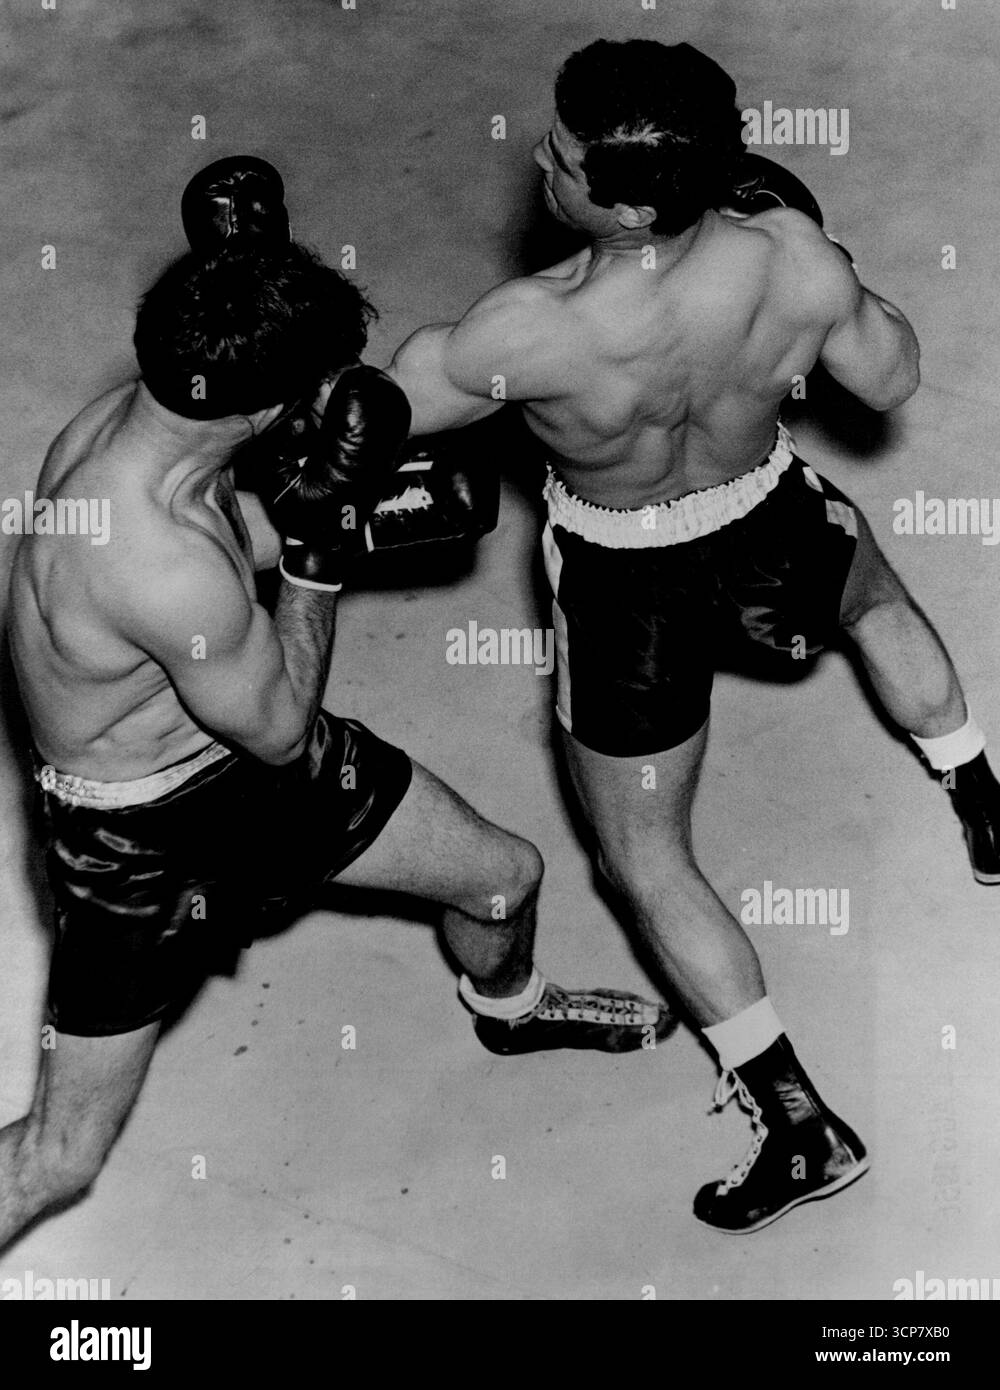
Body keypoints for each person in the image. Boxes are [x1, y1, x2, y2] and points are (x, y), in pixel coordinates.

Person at [383, 38, 1000, 1232]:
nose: (539, 165)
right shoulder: (791, 257)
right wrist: (826, 274)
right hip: (768, 509)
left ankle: (801, 1125)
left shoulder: (521, 328)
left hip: (626, 587)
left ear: (615, 202)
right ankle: (984, 794)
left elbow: (373, 420)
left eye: (558, 156)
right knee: (872, 600)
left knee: (647, 861)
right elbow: (892, 375)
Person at [1, 203, 671, 1252]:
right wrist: (320, 559)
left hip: (215, 730)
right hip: (134, 842)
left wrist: (343, 507)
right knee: (60, 1156)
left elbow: (228, 537)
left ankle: (513, 1008)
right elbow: (279, 727)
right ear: (269, 403)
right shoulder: (161, 565)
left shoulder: (143, 424)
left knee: (502, 876)